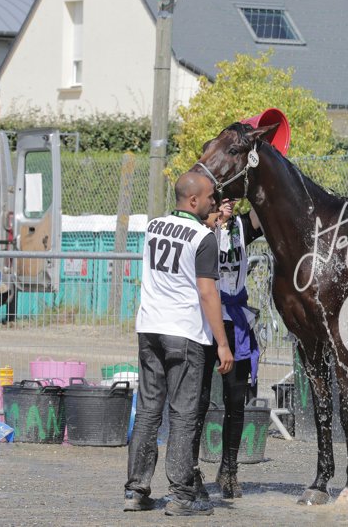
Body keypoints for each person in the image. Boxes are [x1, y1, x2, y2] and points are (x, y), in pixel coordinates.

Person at [124, 171, 234, 517]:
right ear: (193, 200)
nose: (215, 202)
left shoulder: (154, 226)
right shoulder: (203, 238)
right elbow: (207, 292)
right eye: (211, 197)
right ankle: (181, 496)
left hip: (149, 329)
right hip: (184, 333)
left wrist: (212, 224)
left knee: (148, 412)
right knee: (183, 414)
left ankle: (136, 491)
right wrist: (222, 343)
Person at [191, 198, 263, 500]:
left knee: (235, 400)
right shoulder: (199, 229)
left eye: (232, 199)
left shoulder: (242, 227)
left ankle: (229, 469)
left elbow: (262, 210)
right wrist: (215, 220)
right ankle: (191, 469)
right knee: (199, 398)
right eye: (222, 198)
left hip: (236, 323)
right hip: (205, 322)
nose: (228, 204)